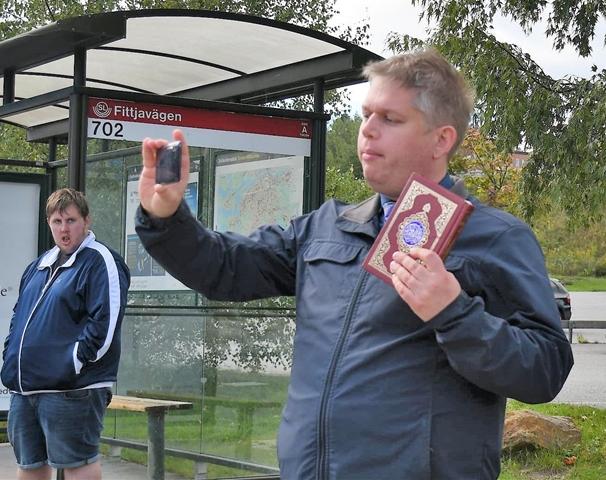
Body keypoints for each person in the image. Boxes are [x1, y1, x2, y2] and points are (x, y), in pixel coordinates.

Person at [135, 49, 573, 479]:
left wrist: (454, 312)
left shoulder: (496, 238)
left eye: (390, 119)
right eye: (366, 115)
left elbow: (545, 369)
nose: (368, 130)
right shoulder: (325, 228)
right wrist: (166, 216)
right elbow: (223, 268)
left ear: (441, 139)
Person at [0, 188, 130, 480]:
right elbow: (18, 316)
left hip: (72, 389)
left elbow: (105, 323)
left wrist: (72, 362)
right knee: (30, 465)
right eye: (57, 221)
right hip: (25, 388)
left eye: (71, 220)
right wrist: (10, 354)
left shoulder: (100, 261)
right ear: (49, 223)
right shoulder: (39, 265)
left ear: (86, 220)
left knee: (78, 466)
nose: (64, 229)